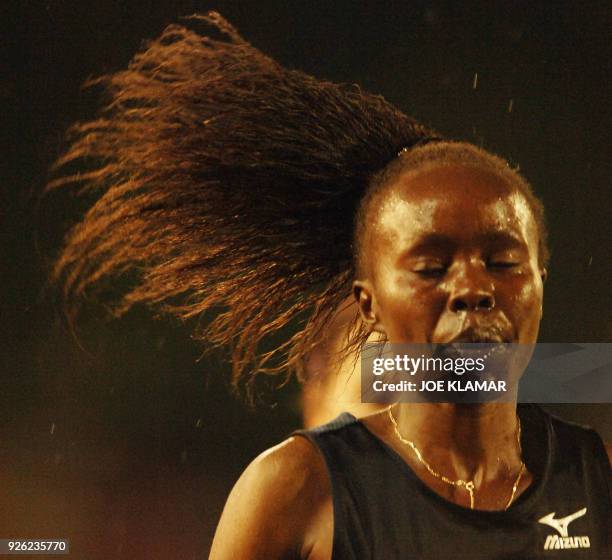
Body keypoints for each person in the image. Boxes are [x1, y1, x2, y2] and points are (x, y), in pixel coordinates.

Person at [48, 13, 611, 559]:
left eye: (503, 261)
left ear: (540, 279)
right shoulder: (296, 490)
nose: (472, 288)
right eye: (432, 268)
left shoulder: (598, 479)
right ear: (368, 303)